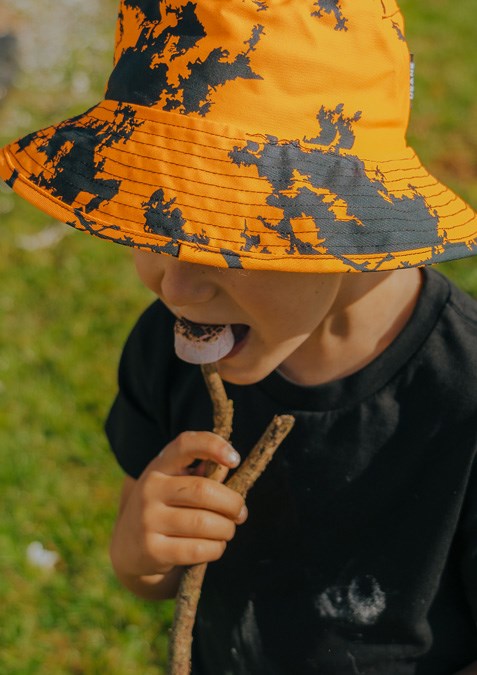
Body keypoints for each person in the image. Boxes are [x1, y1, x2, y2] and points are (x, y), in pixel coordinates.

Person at [1, 1, 477, 673]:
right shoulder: (167, 350)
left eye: (229, 241)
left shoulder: (461, 402)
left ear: (347, 221)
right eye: (155, 225)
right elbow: (155, 574)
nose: (176, 288)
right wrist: (139, 551)